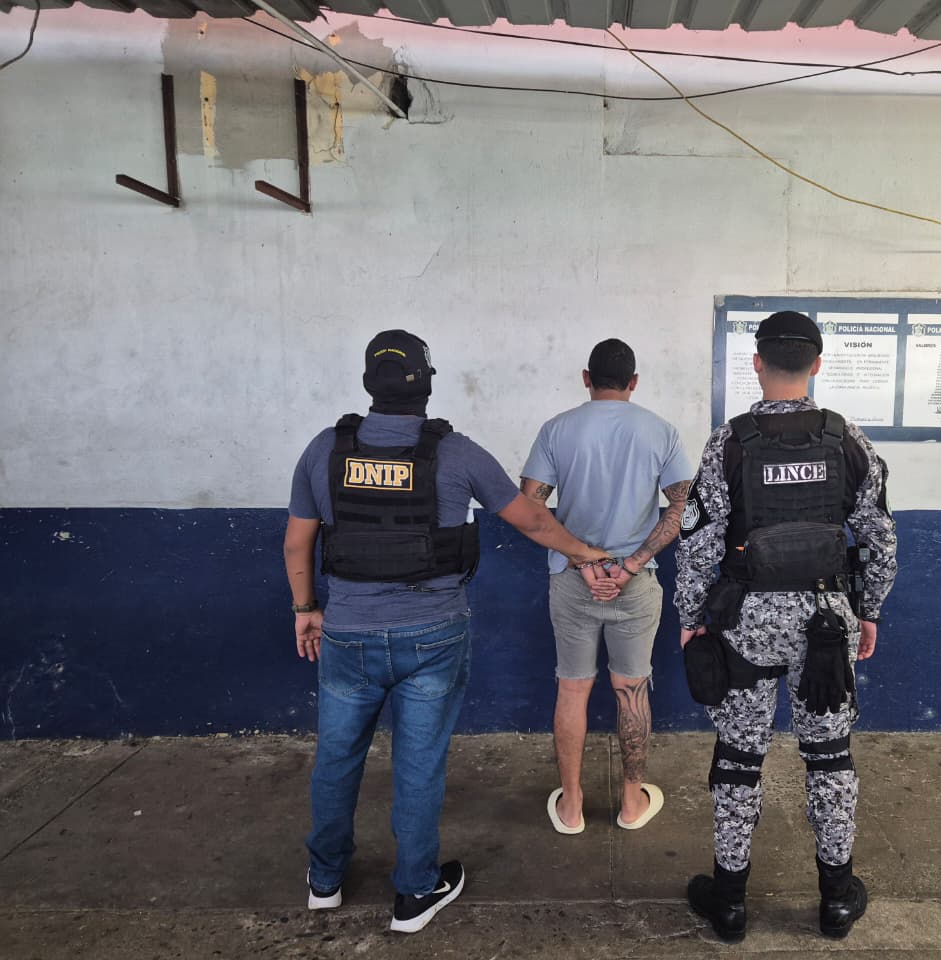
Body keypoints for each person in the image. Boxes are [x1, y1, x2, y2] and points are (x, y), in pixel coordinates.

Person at [284, 330, 608, 934]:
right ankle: (414, 892)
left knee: (336, 758)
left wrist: (306, 608)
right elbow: (533, 520)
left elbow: (297, 541)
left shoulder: (325, 449)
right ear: (426, 386)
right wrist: (585, 552)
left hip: (348, 633)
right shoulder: (456, 453)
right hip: (432, 636)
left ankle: (324, 881)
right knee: (419, 764)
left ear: (368, 384)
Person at [674, 311, 897, 943]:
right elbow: (880, 536)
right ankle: (836, 900)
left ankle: (730, 903)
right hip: (825, 623)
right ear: (817, 365)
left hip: (745, 621)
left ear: (757, 363)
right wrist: (869, 611)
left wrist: (690, 617)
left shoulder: (729, 442)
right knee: (829, 755)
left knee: (739, 755)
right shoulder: (848, 440)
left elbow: (698, 542)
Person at [519, 338, 694, 834]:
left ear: (586, 379)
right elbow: (683, 505)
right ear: (634, 382)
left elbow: (529, 505)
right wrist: (633, 563)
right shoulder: (660, 431)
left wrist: (581, 560)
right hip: (633, 584)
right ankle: (631, 804)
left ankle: (572, 807)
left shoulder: (557, 429)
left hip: (573, 579)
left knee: (572, 689)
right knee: (631, 689)